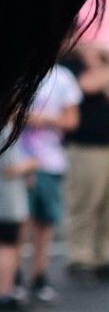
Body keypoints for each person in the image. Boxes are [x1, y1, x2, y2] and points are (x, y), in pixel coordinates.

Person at [19, 62, 81, 301]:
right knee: (20, 222)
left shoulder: (63, 77)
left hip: (51, 162)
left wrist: (42, 119)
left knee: (45, 223)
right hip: (21, 160)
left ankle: (39, 275)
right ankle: (14, 275)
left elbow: (72, 120)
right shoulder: (18, 75)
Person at [65, 36, 109, 281]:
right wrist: (95, 63)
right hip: (86, 145)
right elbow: (87, 85)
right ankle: (79, 256)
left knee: (106, 205)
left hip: (105, 145)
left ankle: (104, 255)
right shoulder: (72, 66)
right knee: (84, 201)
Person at [0, 127, 33, 312]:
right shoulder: (3, 131)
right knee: (6, 247)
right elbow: (8, 167)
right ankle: (5, 292)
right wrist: (31, 164)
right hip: (6, 201)